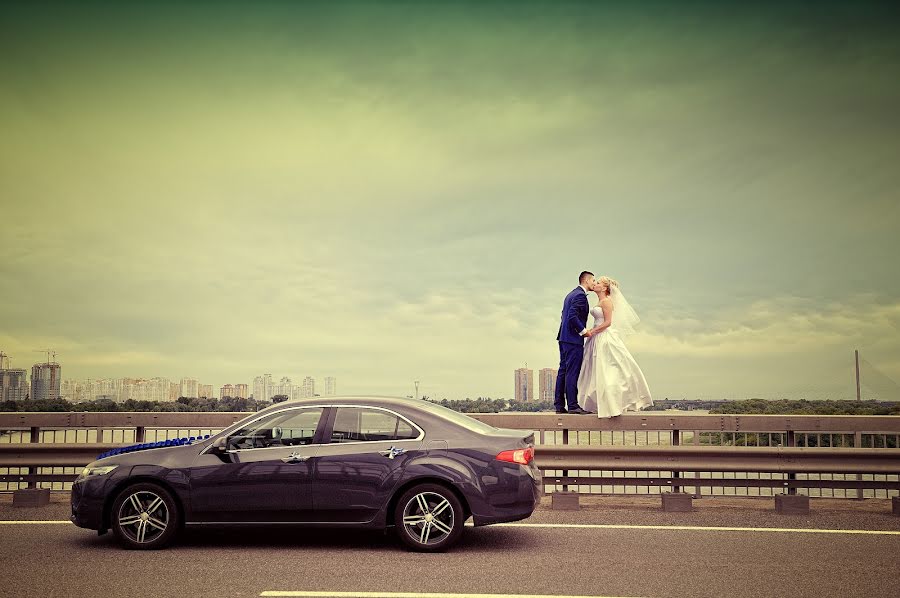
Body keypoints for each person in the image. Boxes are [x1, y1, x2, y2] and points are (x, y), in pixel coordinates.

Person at [577, 276, 652, 418]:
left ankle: (612, 404)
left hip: (603, 337)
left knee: (607, 370)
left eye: (598, 282)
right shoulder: (599, 301)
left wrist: (591, 332)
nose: (595, 284)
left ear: (605, 288)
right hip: (595, 338)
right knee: (594, 372)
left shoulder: (606, 302)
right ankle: (596, 404)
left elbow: (608, 322)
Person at [554, 271, 597, 415]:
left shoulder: (570, 294)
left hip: (563, 338)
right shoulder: (580, 295)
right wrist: (584, 331)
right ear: (586, 280)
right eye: (593, 280)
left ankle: (559, 405)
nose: (594, 283)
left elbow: (563, 315)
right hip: (573, 340)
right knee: (572, 372)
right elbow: (572, 316)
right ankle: (573, 405)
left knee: (563, 371)